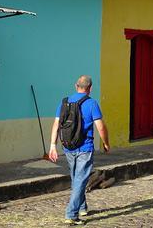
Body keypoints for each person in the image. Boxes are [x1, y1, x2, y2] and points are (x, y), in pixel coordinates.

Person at [49, 75, 110, 226]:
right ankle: (71, 214)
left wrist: (52, 145)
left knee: (77, 179)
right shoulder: (91, 103)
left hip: (68, 147)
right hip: (85, 148)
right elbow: (100, 126)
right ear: (90, 88)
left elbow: (56, 124)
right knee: (80, 180)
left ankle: (82, 208)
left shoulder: (65, 102)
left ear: (76, 86)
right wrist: (106, 143)